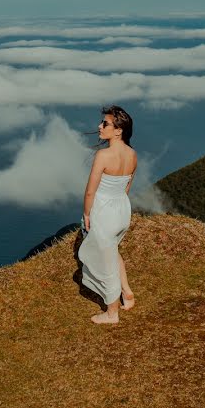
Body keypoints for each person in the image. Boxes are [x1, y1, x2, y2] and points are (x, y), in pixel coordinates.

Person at [77, 105, 137, 324]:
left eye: (105, 123)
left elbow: (90, 190)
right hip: (122, 209)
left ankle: (112, 313)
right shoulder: (132, 154)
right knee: (112, 251)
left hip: (103, 211)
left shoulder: (103, 155)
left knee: (104, 264)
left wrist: (87, 214)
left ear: (118, 130)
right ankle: (127, 293)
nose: (99, 126)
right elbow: (127, 185)